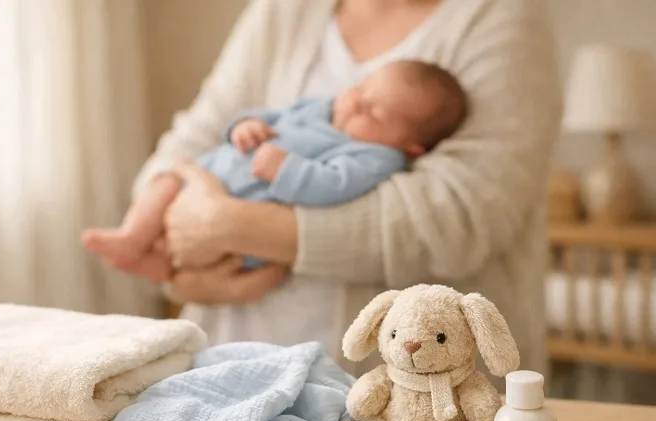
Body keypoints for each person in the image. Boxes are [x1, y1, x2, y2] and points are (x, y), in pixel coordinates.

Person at [99, 0, 563, 384]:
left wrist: (233, 228)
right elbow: (195, 139)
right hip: (234, 358)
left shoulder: (500, 19)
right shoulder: (287, 9)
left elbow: (460, 215)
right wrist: (181, 267)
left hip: (412, 393)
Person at [83, 59, 467, 282]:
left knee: (220, 259)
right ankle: (134, 236)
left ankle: (158, 263)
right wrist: (245, 127)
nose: (353, 105)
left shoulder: (375, 156)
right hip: (211, 174)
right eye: (360, 90)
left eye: (374, 112)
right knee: (167, 178)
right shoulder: (322, 108)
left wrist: (288, 169)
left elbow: (333, 184)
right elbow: (271, 116)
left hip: (249, 216)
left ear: (410, 146)